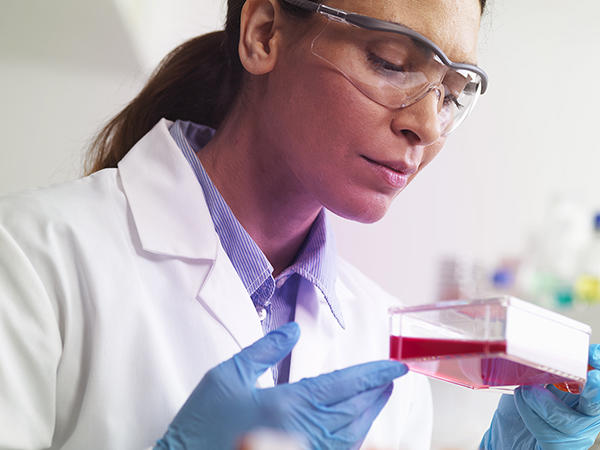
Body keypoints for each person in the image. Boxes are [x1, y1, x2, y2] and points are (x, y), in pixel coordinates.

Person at [1, 0, 599, 448]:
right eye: (391, 61)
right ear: (264, 35)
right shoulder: (31, 259)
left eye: (451, 91)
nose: (428, 125)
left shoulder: (387, 347)